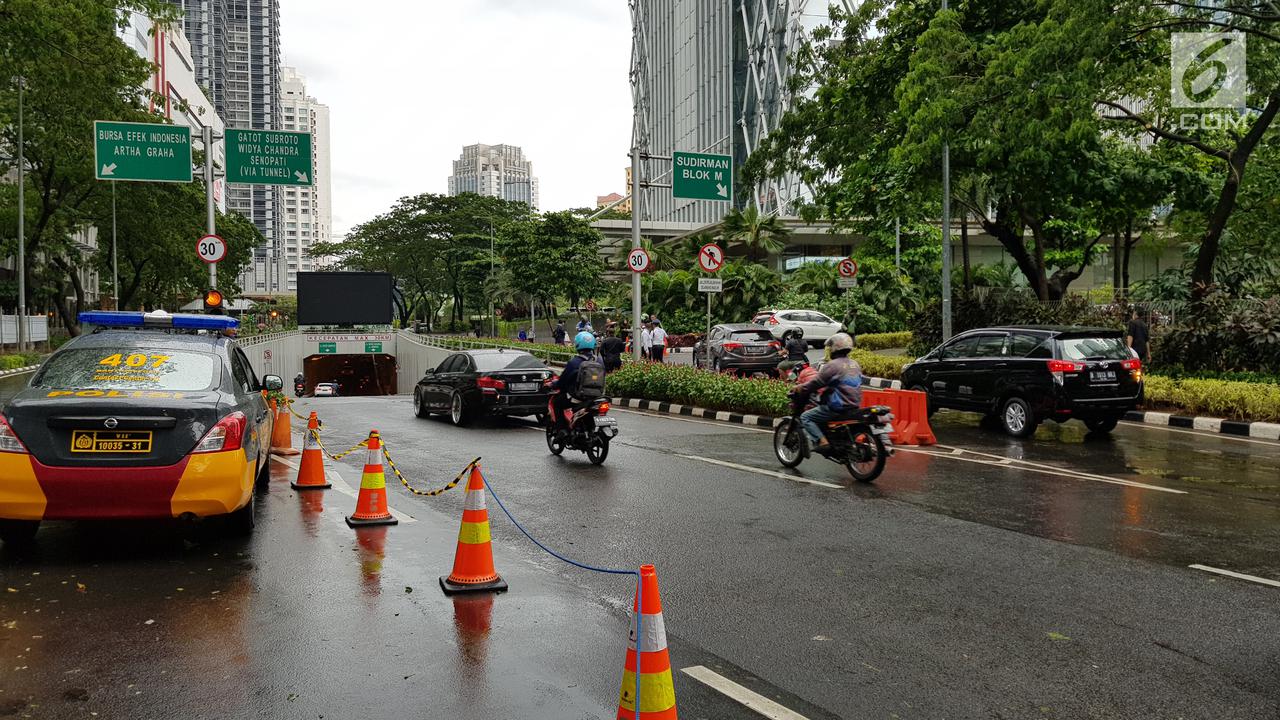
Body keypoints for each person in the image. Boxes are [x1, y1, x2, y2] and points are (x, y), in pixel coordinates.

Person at [794, 333, 863, 450]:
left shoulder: (832, 365)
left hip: (838, 406)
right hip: (854, 404)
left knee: (806, 417)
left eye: (831, 347)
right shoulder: (854, 364)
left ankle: (822, 441)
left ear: (835, 348)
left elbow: (817, 382)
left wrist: (801, 387)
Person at [550, 331, 598, 430]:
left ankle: (562, 429)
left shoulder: (574, 362)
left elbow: (562, 381)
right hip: (596, 396)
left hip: (577, 397)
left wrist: (554, 384)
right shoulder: (599, 360)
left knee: (556, 403)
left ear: (578, 344)